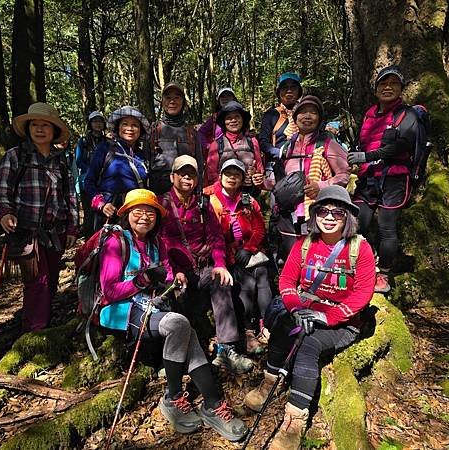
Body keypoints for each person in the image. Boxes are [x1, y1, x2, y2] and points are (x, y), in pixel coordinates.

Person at [98, 188, 248, 442]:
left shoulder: (155, 243)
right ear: (127, 214)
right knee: (180, 324)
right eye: (138, 211)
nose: (144, 216)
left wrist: (173, 277)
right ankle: (174, 396)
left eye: (150, 212)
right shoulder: (117, 241)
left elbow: (165, 272)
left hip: (151, 307)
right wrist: (143, 280)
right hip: (119, 311)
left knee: (186, 331)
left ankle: (212, 403)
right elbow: (110, 291)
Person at [245, 185, 376, 449]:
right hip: (304, 309)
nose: (329, 218)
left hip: (341, 321)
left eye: (337, 213)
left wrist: (327, 318)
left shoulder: (359, 249)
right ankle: (271, 381)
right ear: (314, 215)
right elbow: (286, 281)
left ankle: (295, 420)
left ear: (348, 217)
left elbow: (363, 293)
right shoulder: (305, 244)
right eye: (323, 211)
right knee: (282, 325)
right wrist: (295, 309)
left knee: (308, 345)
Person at [158, 155, 253, 375]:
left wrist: (220, 264)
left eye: (191, 174)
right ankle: (175, 358)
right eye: (182, 173)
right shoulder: (162, 205)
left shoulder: (203, 204)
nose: (187, 179)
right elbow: (160, 243)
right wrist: (173, 273)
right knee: (174, 304)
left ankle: (226, 350)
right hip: (177, 272)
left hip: (203, 267)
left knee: (221, 283)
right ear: (172, 176)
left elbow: (216, 237)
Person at [0, 102, 78, 332]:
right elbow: (3, 191)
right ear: (28, 128)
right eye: (35, 125)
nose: (39, 129)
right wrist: (5, 213)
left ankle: (42, 318)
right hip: (26, 233)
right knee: (36, 282)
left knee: (51, 280)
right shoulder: (15, 156)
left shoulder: (61, 160)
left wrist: (72, 227)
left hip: (56, 231)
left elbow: (70, 195)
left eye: (45, 125)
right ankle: (35, 330)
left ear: (54, 131)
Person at [347, 66, 420, 294]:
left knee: (387, 228)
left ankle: (383, 275)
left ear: (400, 89)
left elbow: (403, 144)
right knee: (358, 222)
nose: (387, 88)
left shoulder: (407, 115)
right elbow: (364, 142)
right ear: (376, 88)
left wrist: (369, 156)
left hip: (395, 178)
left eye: (393, 84)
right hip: (369, 178)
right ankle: (360, 267)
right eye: (383, 84)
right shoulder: (370, 114)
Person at [273, 95, 350, 262]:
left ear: (320, 118)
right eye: (303, 112)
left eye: (313, 112)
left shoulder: (326, 142)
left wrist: (321, 186)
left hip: (316, 210)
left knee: (314, 255)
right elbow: (281, 179)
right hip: (289, 212)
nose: (307, 116)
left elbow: (344, 175)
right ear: (295, 118)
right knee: (292, 255)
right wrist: (263, 183)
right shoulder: (288, 146)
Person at [207, 159, 272, 354]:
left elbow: (260, 228)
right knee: (246, 282)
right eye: (228, 174)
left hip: (248, 251)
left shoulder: (248, 201)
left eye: (237, 175)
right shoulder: (211, 199)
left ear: (243, 178)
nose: (232, 178)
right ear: (220, 176)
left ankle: (266, 325)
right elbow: (210, 233)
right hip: (224, 254)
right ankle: (247, 329)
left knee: (262, 273)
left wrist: (250, 247)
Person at [83, 106, 149, 231]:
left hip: (134, 214)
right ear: (118, 128)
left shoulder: (142, 156)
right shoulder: (105, 149)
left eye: (135, 125)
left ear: (140, 130)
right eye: (125, 124)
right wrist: (101, 204)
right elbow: (89, 181)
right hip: (108, 212)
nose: (130, 128)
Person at [148, 82, 204, 194]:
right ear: (162, 101)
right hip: (159, 195)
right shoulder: (154, 130)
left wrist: (199, 193)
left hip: (187, 195)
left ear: (183, 102)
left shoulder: (192, 132)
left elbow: (199, 167)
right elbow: (145, 163)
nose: (172, 101)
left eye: (177, 97)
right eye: (168, 97)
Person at [204, 101, 265, 192]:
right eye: (229, 118)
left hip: (249, 193)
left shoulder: (252, 141)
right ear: (224, 122)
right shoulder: (216, 144)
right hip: (224, 195)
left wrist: (255, 175)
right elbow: (211, 174)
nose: (233, 120)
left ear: (243, 120)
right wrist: (230, 182)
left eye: (237, 116)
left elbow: (260, 169)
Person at [258, 71, 303, 161]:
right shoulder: (271, 114)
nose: (289, 90)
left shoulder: (305, 113)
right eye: (285, 87)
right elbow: (263, 141)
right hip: (278, 162)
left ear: (299, 92)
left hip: (304, 158)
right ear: (279, 92)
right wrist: (279, 152)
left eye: (293, 87)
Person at [75, 111, 107, 237]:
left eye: (100, 121)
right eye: (95, 121)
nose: (98, 124)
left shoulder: (107, 141)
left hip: (103, 182)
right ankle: (88, 241)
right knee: (89, 214)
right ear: (90, 123)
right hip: (87, 182)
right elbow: (78, 161)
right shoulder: (83, 141)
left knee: (101, 213)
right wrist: (92, 171)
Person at [197, 87, 237, 154]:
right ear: (219, 101)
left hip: (237, 151)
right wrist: (208, 146)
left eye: (229, 96)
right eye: (222, 97)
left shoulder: (241, 115)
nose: (225, 99)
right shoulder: (215, 117)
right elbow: (201, 132)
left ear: (234, 99)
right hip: (218, 154)